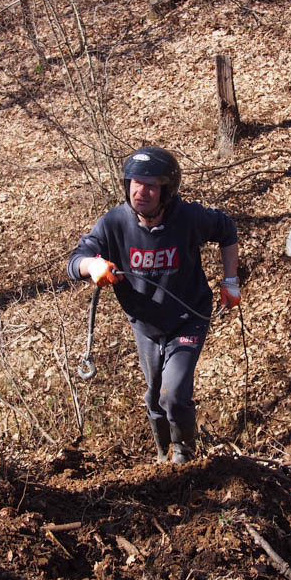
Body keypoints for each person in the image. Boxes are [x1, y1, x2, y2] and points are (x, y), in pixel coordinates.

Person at [67, 147, 240, 464]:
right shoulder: (114, 223)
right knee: (154, 397)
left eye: (150, 185)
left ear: (167, 190)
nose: (140, 191)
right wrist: (92, 267)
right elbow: (75, 260)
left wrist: (231, 281)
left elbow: (227, 229)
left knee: (174, 394)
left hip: (189, 318)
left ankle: (183, 456)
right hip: (145, 325)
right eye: (135, 182)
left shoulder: (188, 217)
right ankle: (163, 459)